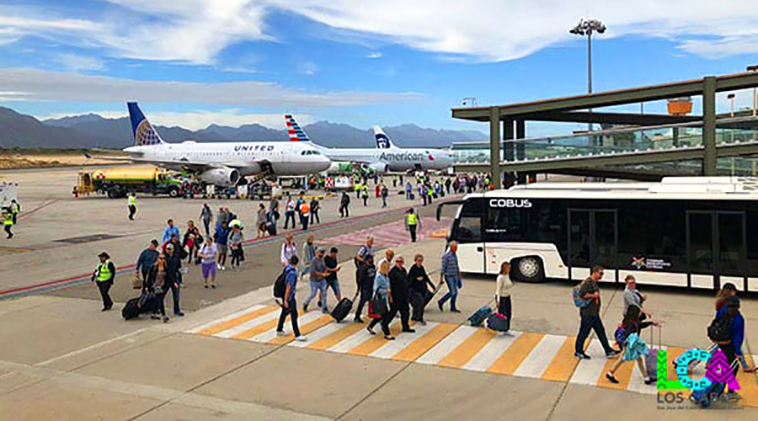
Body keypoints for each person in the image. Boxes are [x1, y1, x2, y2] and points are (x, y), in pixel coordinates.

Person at [574, 266, 620, 359]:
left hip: (594, 314)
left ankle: (608, 351)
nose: (602, 275)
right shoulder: (588, 283)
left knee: (601, 332)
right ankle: (578, 351)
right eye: (600, 273)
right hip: (588, 314)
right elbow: (582, 294)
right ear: (594, 272)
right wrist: (593, 295)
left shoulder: (593, 282)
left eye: (602, 273)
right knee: (584, 333)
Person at [606, 306, 659, 385]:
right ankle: (610, 373)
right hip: (630, 344)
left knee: (635, 359)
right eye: (639, 312)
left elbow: (640, 325)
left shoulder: (629, 320)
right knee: (625, 359)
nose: (640, 313)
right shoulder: (631, 324)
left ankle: (646, 378)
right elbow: (631, 334)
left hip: (628, 344)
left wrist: (651, 323)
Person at [277, 255, 306, 341]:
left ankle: (279, 329)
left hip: (284, 295)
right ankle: (297, 334)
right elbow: (288, 287)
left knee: (285, 312)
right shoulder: (292, 273)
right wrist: (286, 300)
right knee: (294, 314)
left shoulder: (287, 268)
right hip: (289, 297)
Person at [367, 261, 394, 339]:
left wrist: (390, 296)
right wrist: (386, 291)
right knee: (385, 316)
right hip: (380, 299)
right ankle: (387, 333)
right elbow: (376, 289)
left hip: (385, 298)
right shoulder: (378, 277)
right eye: (387, 268)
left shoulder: (386, 276)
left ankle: (370, 326)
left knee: (380, 316)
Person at [388, 256, 414, 333]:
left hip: (404, 296)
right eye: (397, 261)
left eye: (400, 262)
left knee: (406, 312)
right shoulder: (392, 272)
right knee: (392, 312)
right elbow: (390, 285)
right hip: (396, 296)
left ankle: (405, 326)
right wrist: (390, 296)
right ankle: (384, 324)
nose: (399, 263)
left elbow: (407, 280)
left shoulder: (403, 270)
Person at [408, 254, 435, 325]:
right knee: (420, 303)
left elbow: (425, 277)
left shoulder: (422, 268)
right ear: (415, 261)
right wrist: (416, 279)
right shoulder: (413, 269)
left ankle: (414, 317)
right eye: (418, 260)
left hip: (422, 289)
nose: (420, 262)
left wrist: (432, 285)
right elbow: (409, 279)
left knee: (419, 303)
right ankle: (420, 318)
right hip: (415, 290)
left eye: (421, 261)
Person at [437, 241, 461, 313]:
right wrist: (441, 278)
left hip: (455, 276)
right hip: (449, 276)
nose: (456, 249)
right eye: (455, 247)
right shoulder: (446, 256)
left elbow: (456, 266)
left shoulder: (455, 255)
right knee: (452, 292)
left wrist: (459, 277)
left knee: (455, 293)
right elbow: (443, 268)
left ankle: (453, 307)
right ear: (451, 248)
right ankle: (441, 301)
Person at [304, 247, 328, 313]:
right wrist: (322, 274)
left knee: (324, 293)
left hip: (322, 280)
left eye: (323, 253)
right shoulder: (313, 261)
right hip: (314, 281)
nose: (322, 254)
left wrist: (325, 271)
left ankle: (324, 308)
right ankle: (305, 303)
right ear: (317, 252)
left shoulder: (322, 259)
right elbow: (313, 272)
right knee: (313, 294)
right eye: (321, 252)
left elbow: (324, 267)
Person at [145, 253, 169, 322]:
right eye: (160, 258)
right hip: (155, 286)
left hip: (162, 285)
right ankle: (163, 315)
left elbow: (168, 276)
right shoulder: (153, 267)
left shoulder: (166, 267)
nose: (162, 260)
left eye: (163, 258)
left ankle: (154, 312)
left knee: (158, 299)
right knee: (160, 299)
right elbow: (149, 278)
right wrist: (147, 286)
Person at [354, 254, 376, 323]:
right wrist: (359, 288)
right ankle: (357, 315)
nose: (372, 260)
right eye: (370, 259)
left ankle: (373, 313)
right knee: (362, 302)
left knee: (372, 301)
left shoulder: (373, 266)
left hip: (372, 287)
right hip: (365, 288)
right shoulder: (363, 268)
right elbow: (360, 279)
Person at [164, 243, 184, 316]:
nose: (169, 251)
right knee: (161, 295)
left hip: (175, 278)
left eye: (170, 249)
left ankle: (177, 310)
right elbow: (167, 270)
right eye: (167, 249)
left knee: (176, 297)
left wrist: (180, 279)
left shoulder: (176, 257)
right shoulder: (164, 258)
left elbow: (179, 268)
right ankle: (159, 310)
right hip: (166, 279)